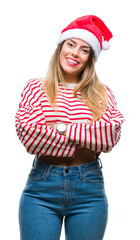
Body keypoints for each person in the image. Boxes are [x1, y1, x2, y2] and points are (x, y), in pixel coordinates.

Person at [15, 15, 124, 240]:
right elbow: (29, 133)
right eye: (71, 44)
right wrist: (86, 135)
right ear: (60, 47)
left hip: (89, 190)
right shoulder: (36, 88)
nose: (75, 53)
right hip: (41, 189)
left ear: (90, 58)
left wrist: (61, 128)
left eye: (84, 50)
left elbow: (109, 135)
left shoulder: (102, 94)